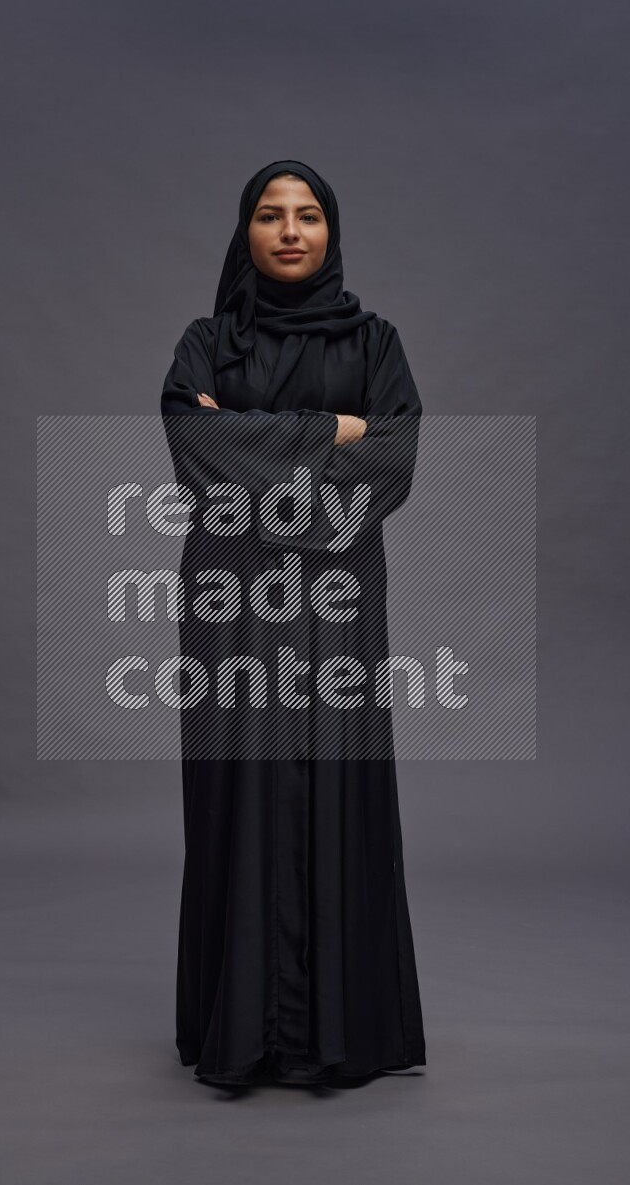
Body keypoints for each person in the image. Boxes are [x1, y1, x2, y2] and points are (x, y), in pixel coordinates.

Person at [160, 159, 427, 1087]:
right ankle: (243, 1027)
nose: (289, 231)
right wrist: (334, 431)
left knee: (337, 784)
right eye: (270, 215)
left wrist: (260, 447)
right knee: (241, 788)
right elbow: (192, 447)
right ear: (246, 231)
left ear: (330, 231)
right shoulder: (206, 343)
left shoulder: (378, 340)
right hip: (230, 604)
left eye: (307, 215)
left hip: (337, 604)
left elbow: (395, 458)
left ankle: (339, 1030)